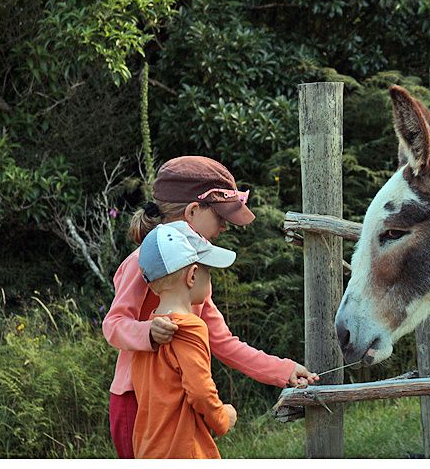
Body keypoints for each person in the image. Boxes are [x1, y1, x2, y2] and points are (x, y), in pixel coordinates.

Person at [103, 156, 318, 458]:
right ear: (193, 211)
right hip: (136, 400)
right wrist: (148, 332)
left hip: (179, 400)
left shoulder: (197, 276)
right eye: (220, 218)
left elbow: (223, 342)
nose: (225, 228)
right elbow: (113, 325)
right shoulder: (140, 263)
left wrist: (282, 370)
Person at [131, 221, 239, 458]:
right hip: (184, 451)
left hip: (148, 450)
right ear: (192, 275)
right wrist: (223, 417)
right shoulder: (190, 328)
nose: (209, 280)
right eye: (207, 272)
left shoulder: (147, 332)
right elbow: (200, 392)